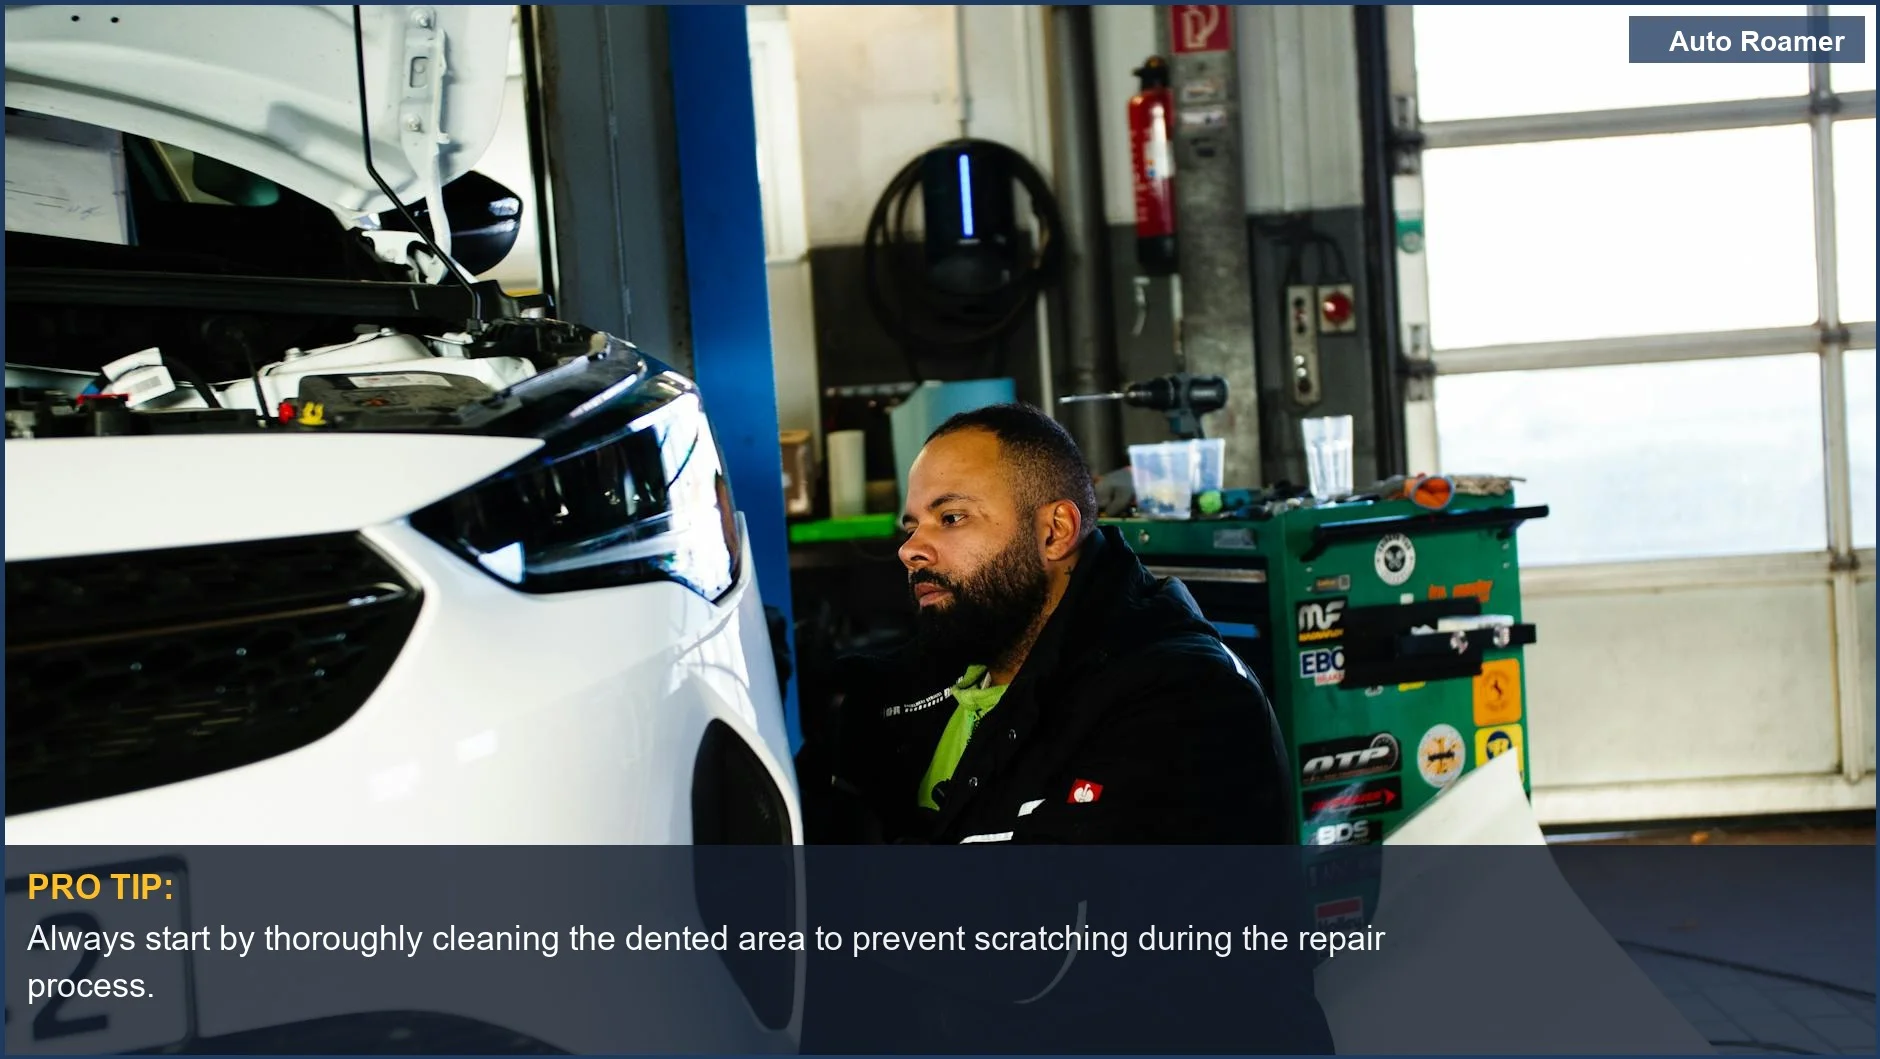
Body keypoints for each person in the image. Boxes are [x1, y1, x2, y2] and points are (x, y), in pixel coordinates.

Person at [795, 401, 1294, 846]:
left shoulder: (1187, 697)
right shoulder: (909, 684)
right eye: (912, 526)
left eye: (951, 518)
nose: (910, 550)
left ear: (1055, 532)